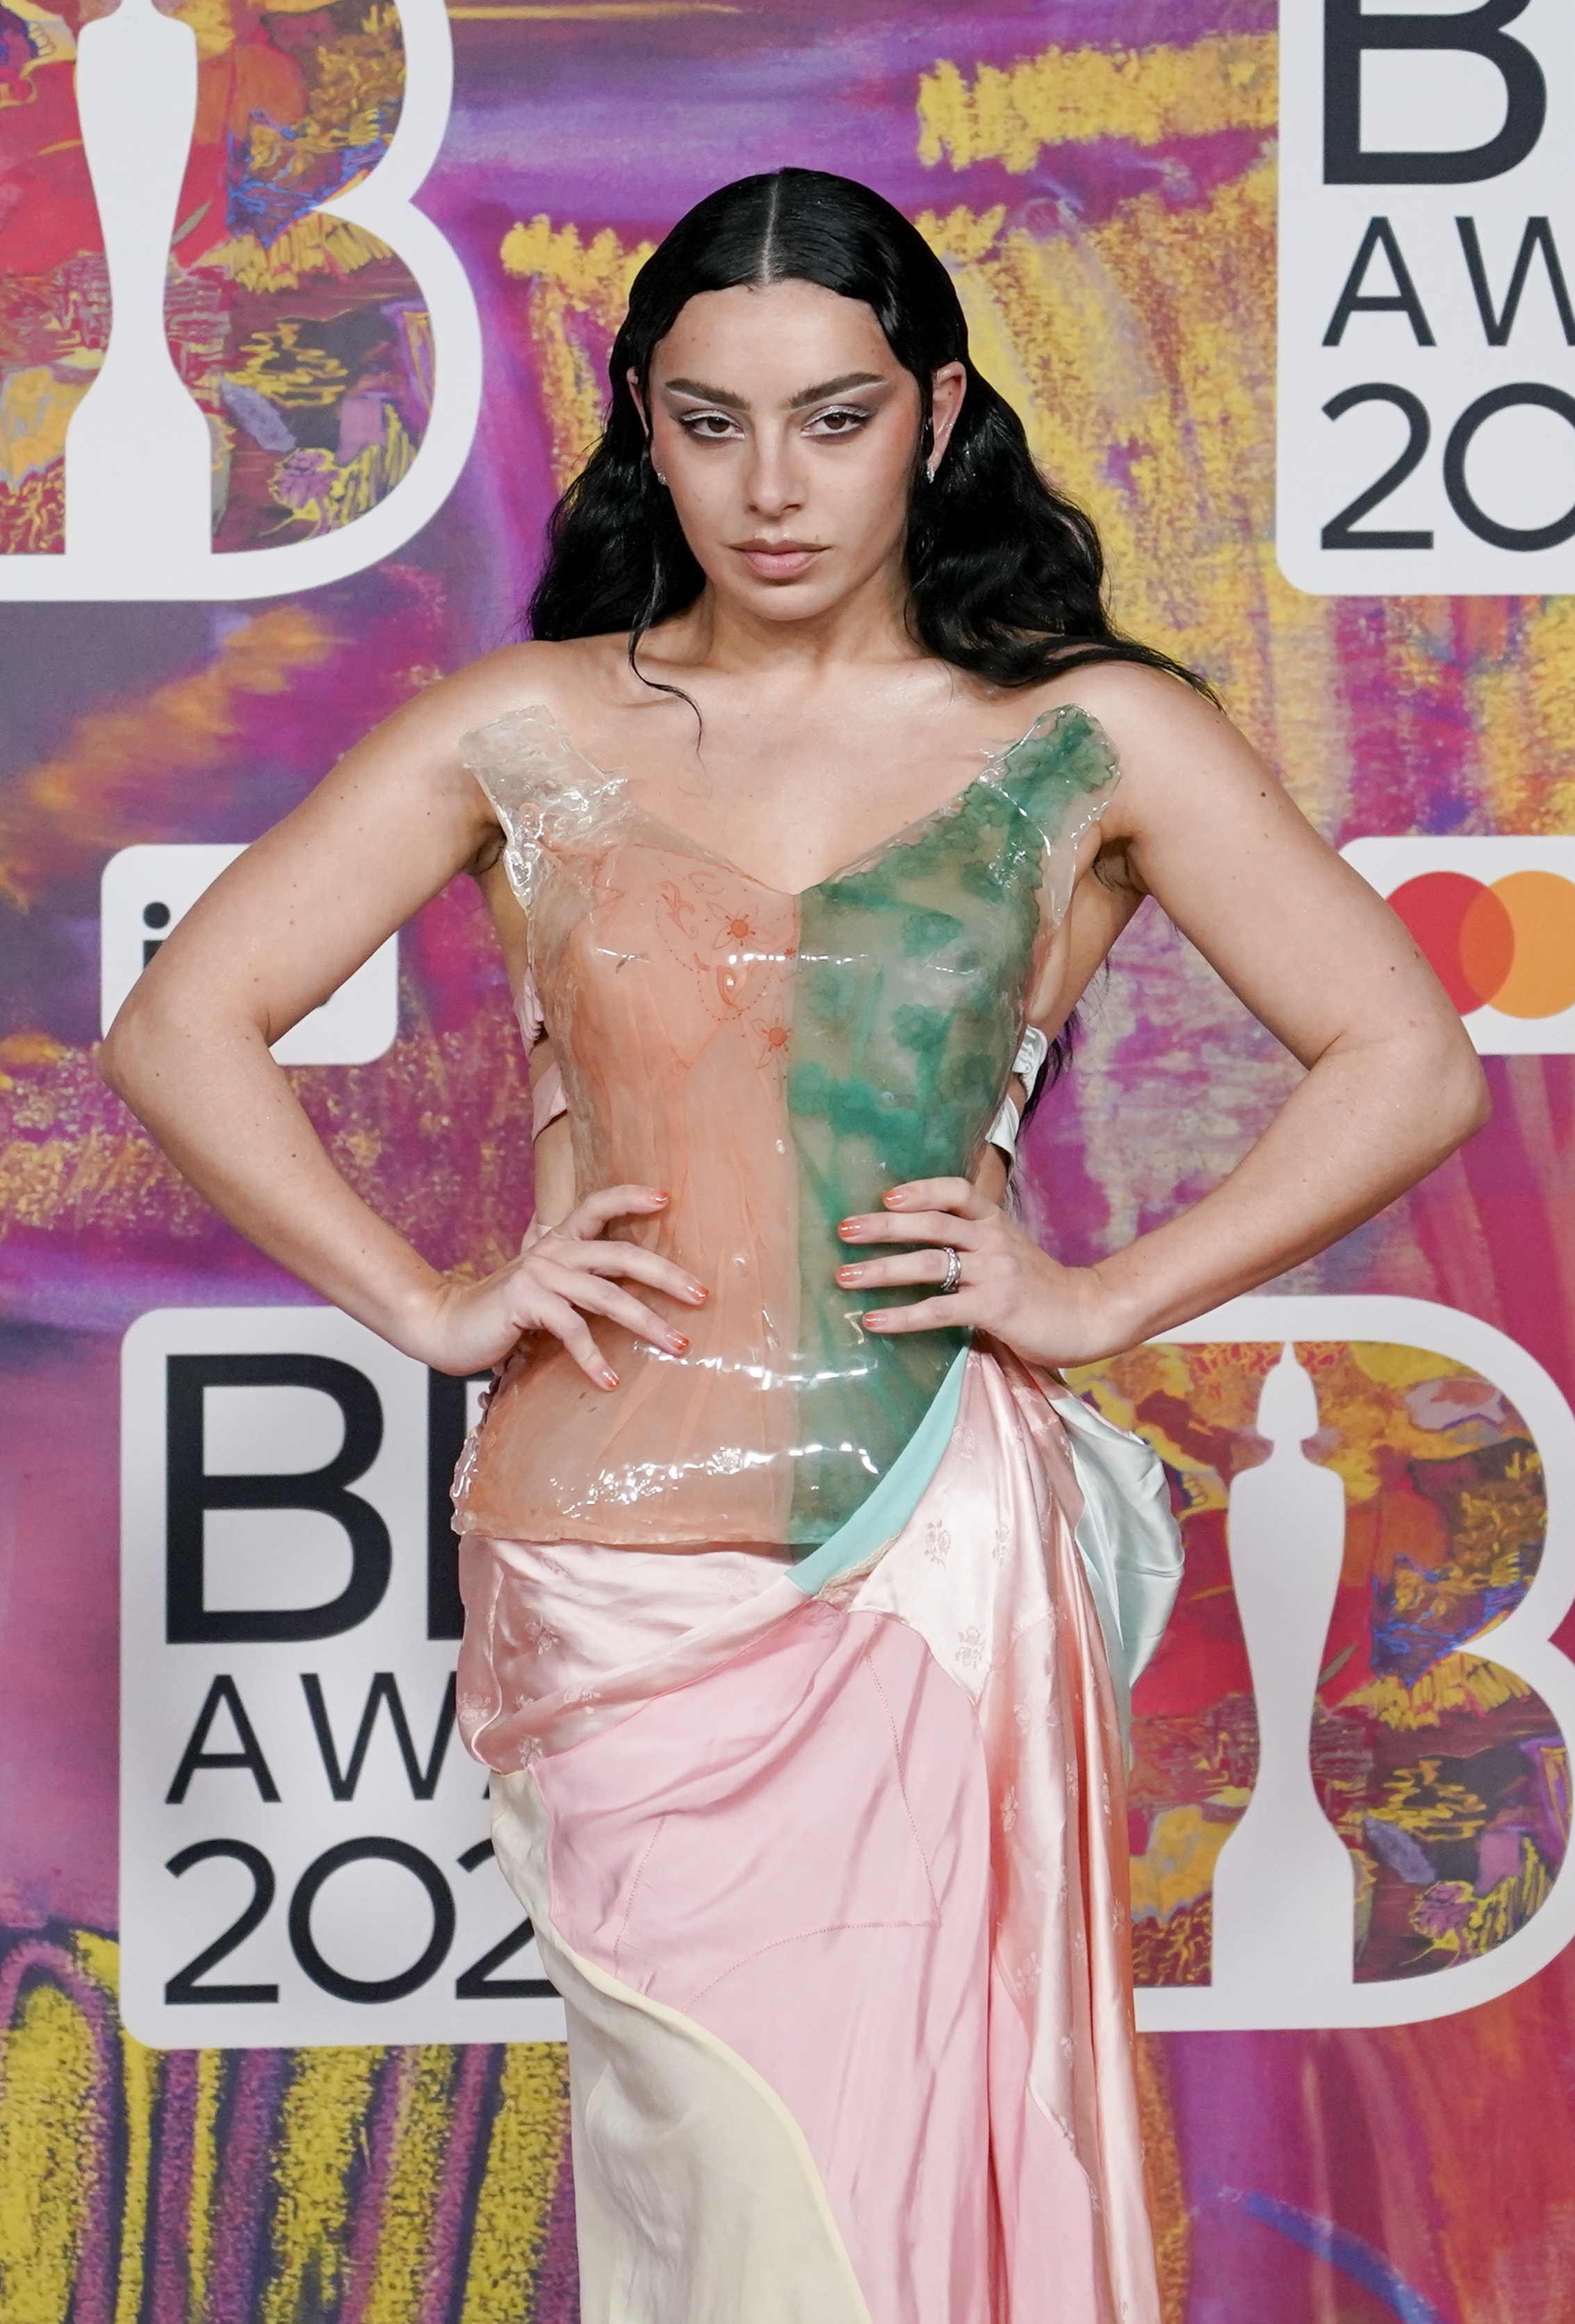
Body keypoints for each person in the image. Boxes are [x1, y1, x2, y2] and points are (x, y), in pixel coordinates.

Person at [101, 167, 1487, 2324]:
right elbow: (186, 1017)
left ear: (934, 416)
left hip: (929, 1555)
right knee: (723, 2215)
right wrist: (434, 1302)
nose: (773, 486)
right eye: (714, 419)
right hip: (611, 1577)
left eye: (834, 418)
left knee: (937, 2187)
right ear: (640, 421)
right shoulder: (525, 725)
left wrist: (1096, 1299)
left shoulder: (1085, 734)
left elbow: (1402, 1059)